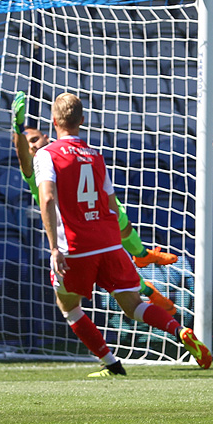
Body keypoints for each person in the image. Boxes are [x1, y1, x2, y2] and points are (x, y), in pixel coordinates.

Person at [31, 92, 211, 376]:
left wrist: (54, 248)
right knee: (133, 305)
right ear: (82, 120)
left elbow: (48, 198)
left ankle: (111, 363)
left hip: (75, 247)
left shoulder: (46, 154)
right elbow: (113, 205)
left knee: (69, 307)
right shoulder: (95, 155)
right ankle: (179, 330)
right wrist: (125, 243)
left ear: (54, 121)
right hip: (109, 243)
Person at [10, 91, 179, 319]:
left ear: (48, 135)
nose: (31, 146)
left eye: (34, 140)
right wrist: (18, 129)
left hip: (94, 206)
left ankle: (142, 255)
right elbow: (24, 159)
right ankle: (148, 289)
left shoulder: (74, 153)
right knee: (114, 268)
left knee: (121, 229)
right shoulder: (38, 167)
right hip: (75, 228)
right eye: (27, 143)